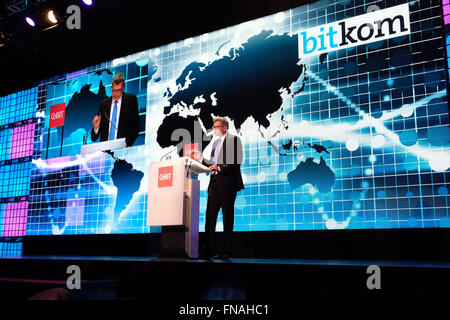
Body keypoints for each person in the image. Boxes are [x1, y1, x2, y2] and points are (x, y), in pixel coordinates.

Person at [192, 117, 244, 260]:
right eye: (213, 126)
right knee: (210, 217)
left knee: (227, 218)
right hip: (214, 183)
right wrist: (201, 158)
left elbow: (236, 161)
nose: (214, 129)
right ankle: (207, 249)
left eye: (217, 126)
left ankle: (227, 250)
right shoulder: (215, 143)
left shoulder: (234, 140)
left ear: (224, 127)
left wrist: (220, 168)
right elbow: (212, 164)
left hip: (228, 183)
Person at [91, 72, 140, 147]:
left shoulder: (131, 100)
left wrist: (127, 144)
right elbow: (94, 138)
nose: (116, 94)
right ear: (111, 88)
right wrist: (96, 128)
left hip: (123, 148)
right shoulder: (104, 104)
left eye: (119, 91)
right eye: (114, 91)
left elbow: (135, 127)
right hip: (104, 151)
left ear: (123, 87)